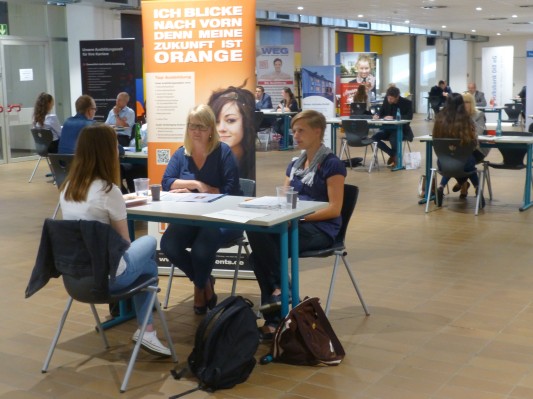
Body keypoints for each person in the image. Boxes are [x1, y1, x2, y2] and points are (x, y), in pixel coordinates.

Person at [59, 124, 171, 357]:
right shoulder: (108, 191)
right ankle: (146, 330)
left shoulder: (66, 188)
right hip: (109, 280)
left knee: (147, 267)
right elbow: (125, 243)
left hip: (75, 278)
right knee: (149, 246)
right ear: (107, 152)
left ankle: (146, 329)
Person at [246, 110, 346, 341]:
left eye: (301, 130)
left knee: (258, 257)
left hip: (321, 228)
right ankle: (283, 295)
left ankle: (276, 316)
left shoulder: (332, 165)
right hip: (294, 223)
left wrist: (300, 217)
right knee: (254, 227)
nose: (296, 135)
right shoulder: (295, 164)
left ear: (318, 132)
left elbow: (334, 209)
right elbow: (285, 197)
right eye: (294, 131)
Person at [160, 104, 242, 315]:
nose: (196, 131)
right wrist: (195, 185)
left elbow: (232, 190)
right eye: (192, 126)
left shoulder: (223, 152)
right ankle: (204, 280)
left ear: (210, 130)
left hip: (223, 219)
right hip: (191, 218)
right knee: (168, 244)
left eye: (201, 127)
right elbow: (166, 181)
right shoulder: (182, 153)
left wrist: (206, 190)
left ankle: (199, 288)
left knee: (201, 249)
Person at [432, 93, 484, 208]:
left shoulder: (439, 119)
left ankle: (441, 187)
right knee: (468, 163)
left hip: (443, 163)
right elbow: (473, 142)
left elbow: (434, 139)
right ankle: (477, 188)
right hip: (465, 164)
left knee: (451, 161)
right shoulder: (466, 120)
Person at [208, 84, 256, 180]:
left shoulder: (255, 164)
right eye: (216, 122)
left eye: (231, 120)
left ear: (246, 122)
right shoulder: (205, 159)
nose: (221, 128)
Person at [449, 92, 487, 197]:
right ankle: (465, 184)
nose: (464, 105)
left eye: (467, 102)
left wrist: (466, 118)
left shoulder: (479, 115)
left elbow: (477, 133)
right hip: (461, 150)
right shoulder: (457, 116)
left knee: (463, 160)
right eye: (462, 102)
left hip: (476, 150)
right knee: (452, 158)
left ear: (472, 103)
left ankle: (461, 183)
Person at [371, 86, 414, 167]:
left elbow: (409, 117)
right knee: (374, 138)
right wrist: (377, 115)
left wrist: (393, 117)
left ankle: (396, 160)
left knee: (393, 138)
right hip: (387, 129)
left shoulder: (407, 103)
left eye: (391, 98)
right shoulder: (386, 101)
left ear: (397, 97)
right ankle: (393, 155)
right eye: (388, 98)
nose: (389, 100)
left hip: (401, 130)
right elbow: (381, 112)